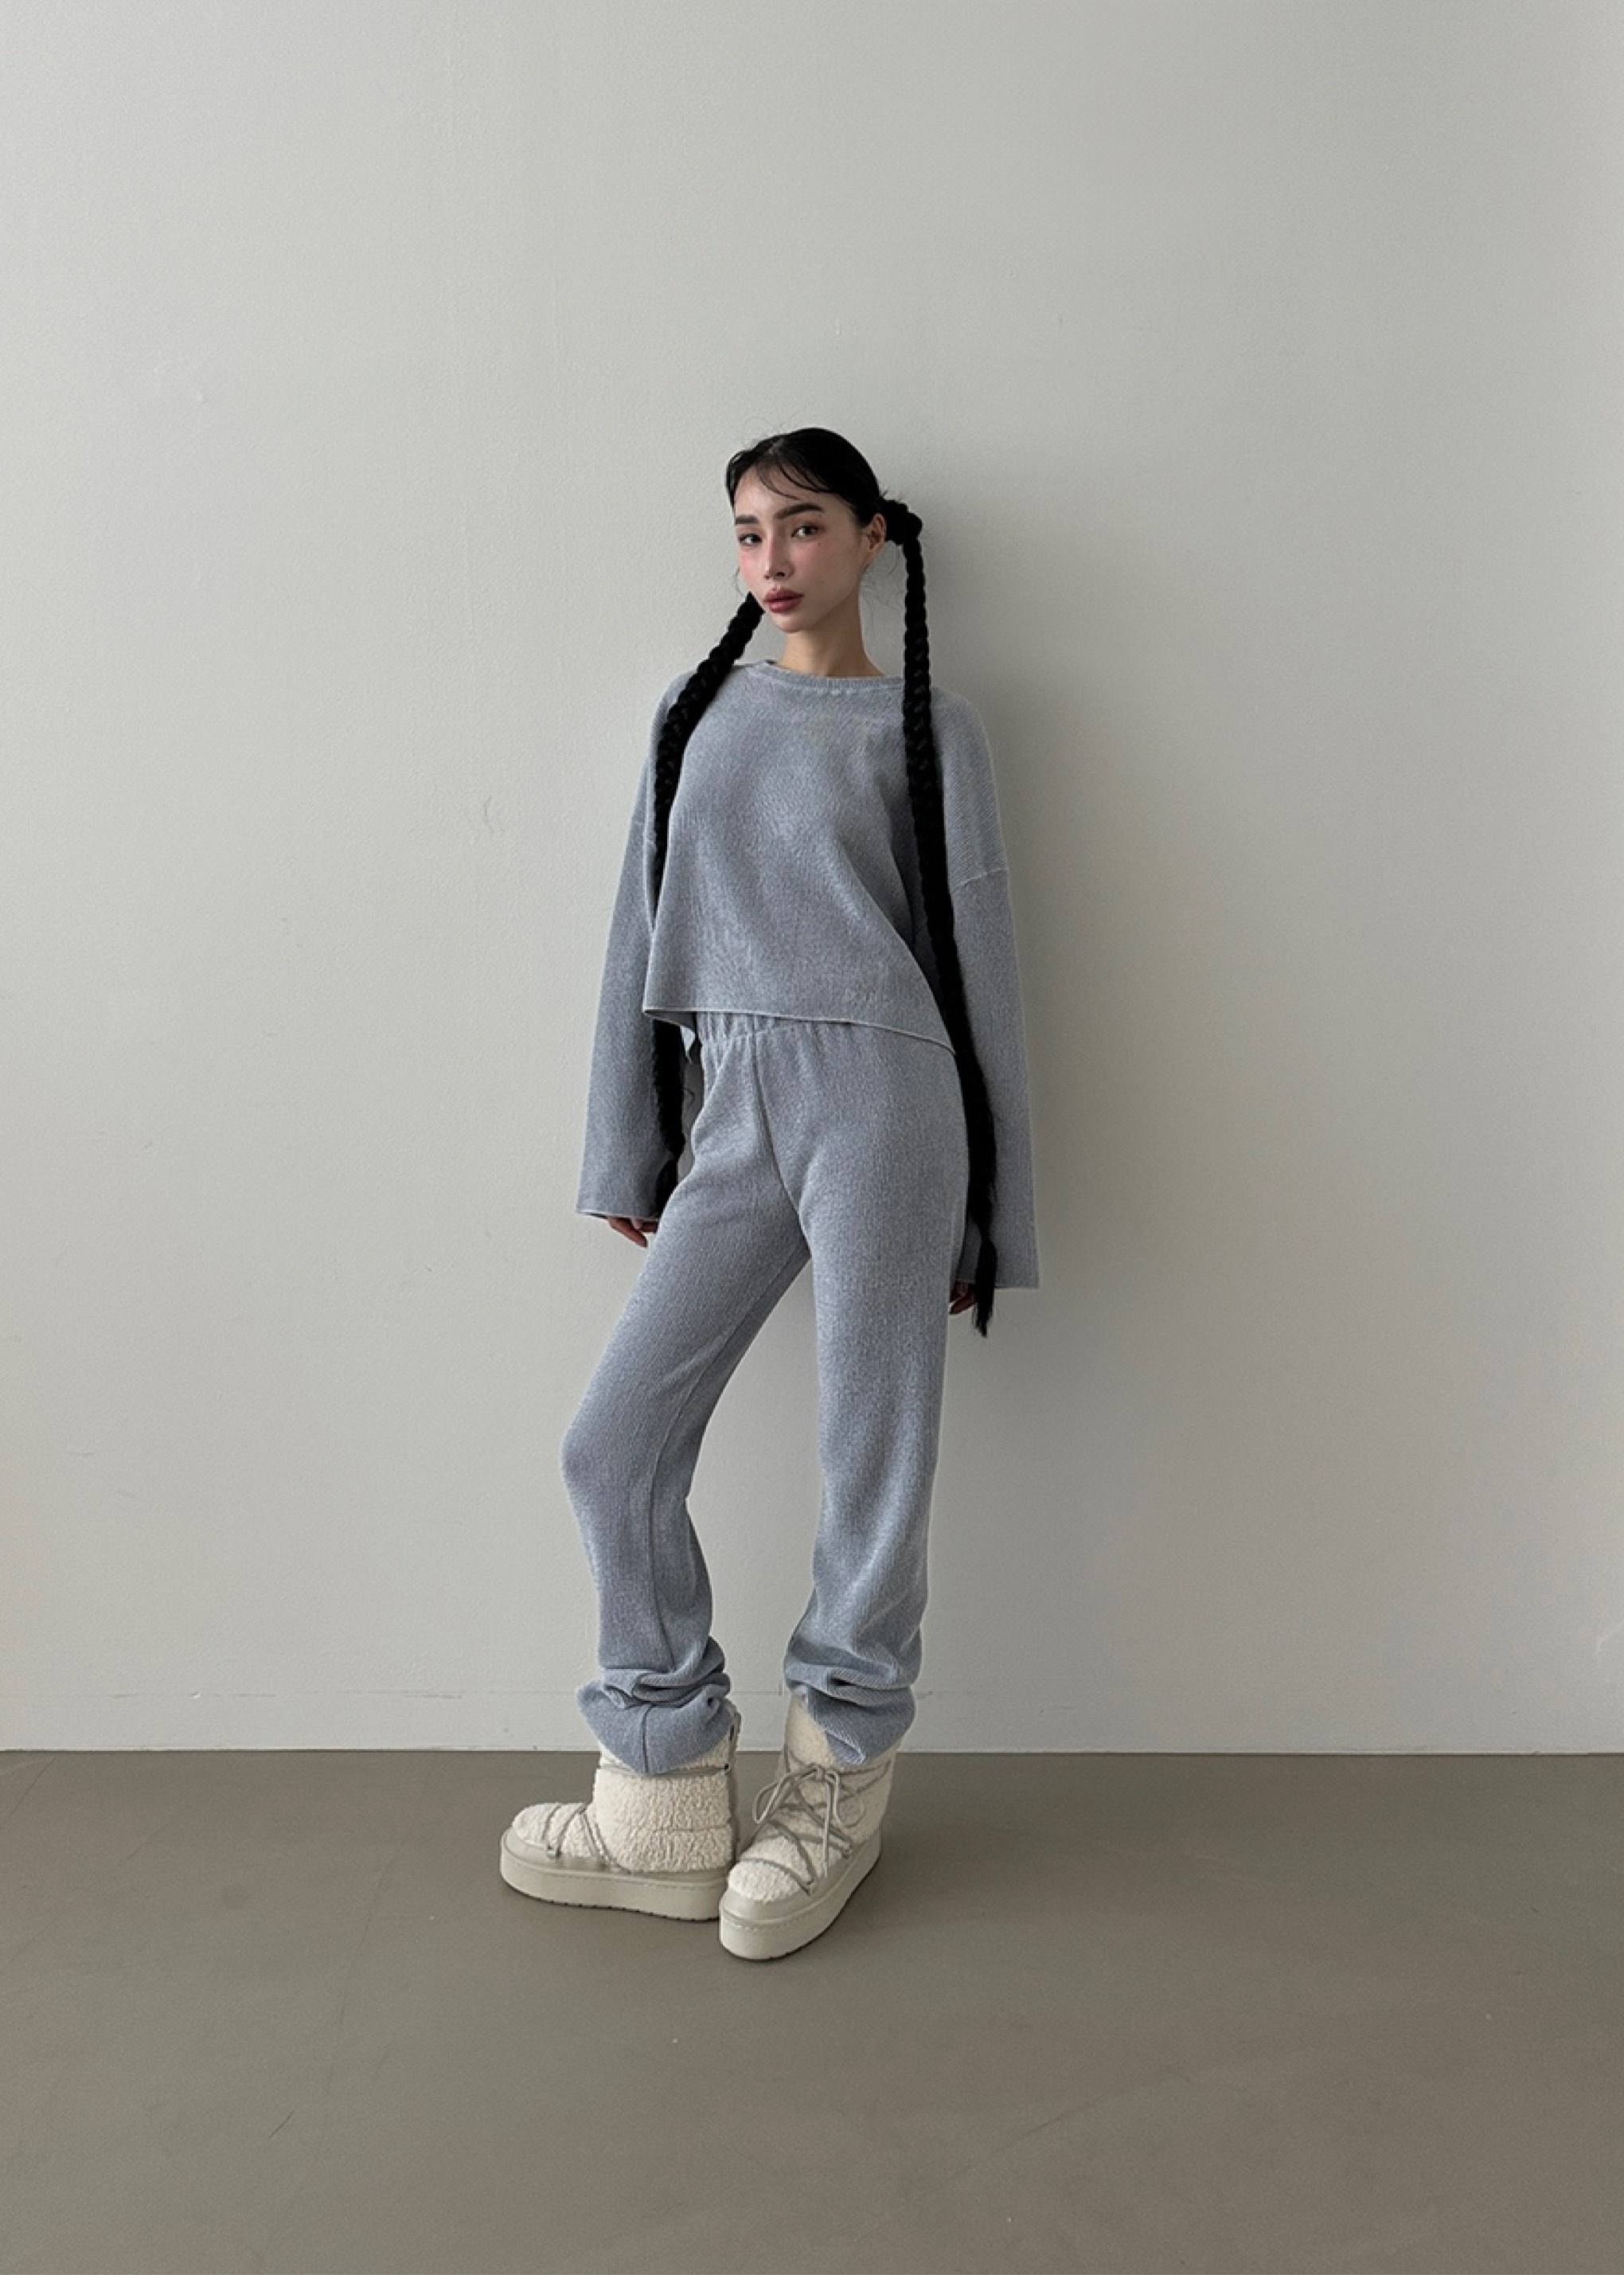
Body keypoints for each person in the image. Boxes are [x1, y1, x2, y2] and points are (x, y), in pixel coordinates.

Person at [499, 428, 1040, 1960]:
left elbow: (982, 969)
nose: (772, 559)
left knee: (874, 1455)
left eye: (802, 527)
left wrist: (997, 1206)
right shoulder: (695, 715)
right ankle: (664, 1792)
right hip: (730, 1104)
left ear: (872, 537)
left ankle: (835, 1785)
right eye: (747, 533)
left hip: (891, 1106)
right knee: (613, 1446)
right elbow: (638, 933)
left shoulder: (935, 730)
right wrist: (629, 1143)